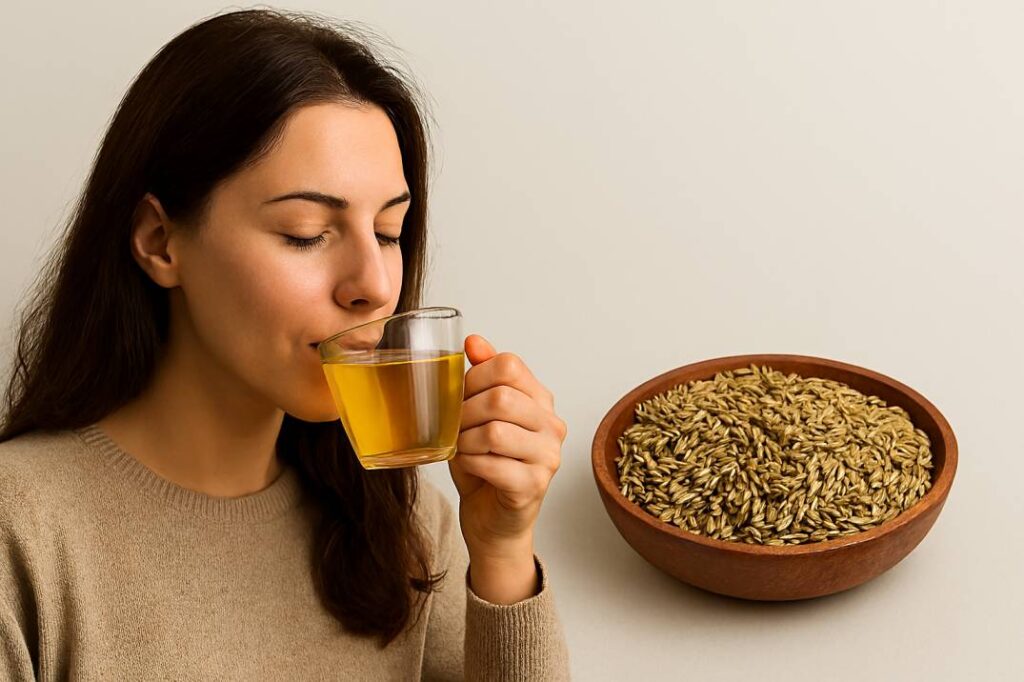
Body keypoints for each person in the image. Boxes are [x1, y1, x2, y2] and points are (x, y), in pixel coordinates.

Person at [0, 8, 570, 680]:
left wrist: (503, 553)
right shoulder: (22, 527)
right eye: (306, 232)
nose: (373, 285)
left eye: (389, 233)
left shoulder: (408, 525)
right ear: (159, 241)